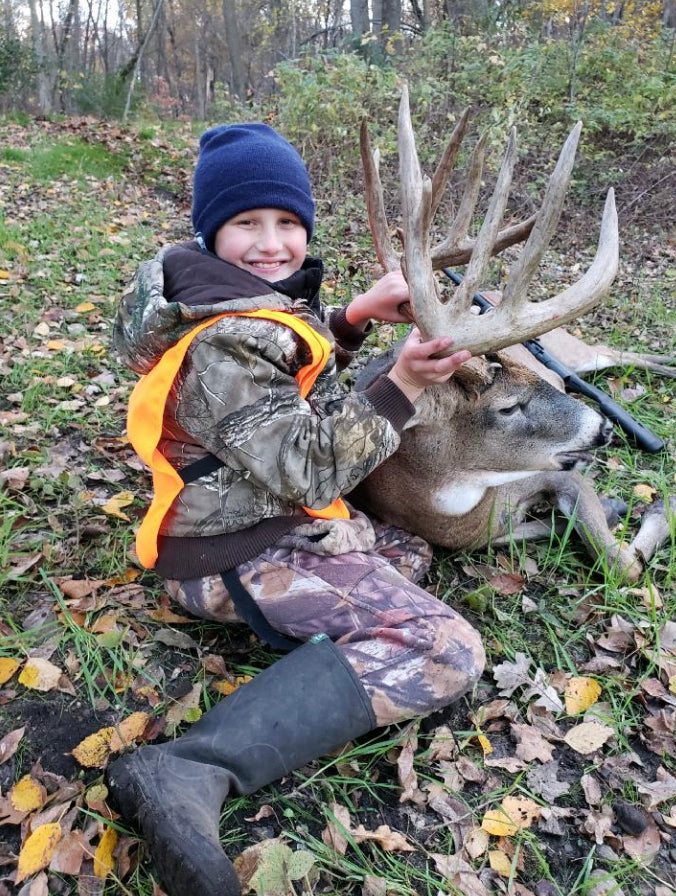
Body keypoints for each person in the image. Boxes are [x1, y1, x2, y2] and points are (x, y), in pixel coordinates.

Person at [108, 122, 485, 896]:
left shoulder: (228, 302)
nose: (271, 242)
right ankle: (184, 769)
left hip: (248, 525)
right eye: (246, 222)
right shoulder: (222, 339)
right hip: (235, 553)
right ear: (209, 229)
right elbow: (305, 465)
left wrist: (346, 322)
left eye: (287, 222)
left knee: (405, 553)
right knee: (443, 648)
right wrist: (403, 384)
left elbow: (279, 388)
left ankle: (312, 644)